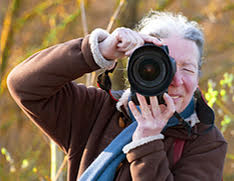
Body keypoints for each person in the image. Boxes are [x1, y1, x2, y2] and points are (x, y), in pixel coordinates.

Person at [7, 11, 227, 181]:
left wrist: (147, 143)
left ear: (198, 76)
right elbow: (24, 85)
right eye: (163, 67)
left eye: (187, 69)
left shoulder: (205, 140)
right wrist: (99, 51)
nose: (176, 81)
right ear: (136, 67)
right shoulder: (97, 110)